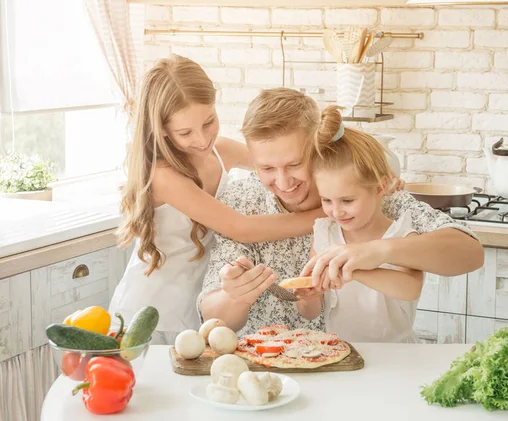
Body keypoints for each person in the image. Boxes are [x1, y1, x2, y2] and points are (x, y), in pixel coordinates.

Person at [198, 88, 484, 337]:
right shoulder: (242, 202)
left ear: (320, 149)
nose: (283, 183)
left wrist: (379, 251)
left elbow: (469, 253)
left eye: (295, 164)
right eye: (267, 169)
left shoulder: (371, 196)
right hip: (267, 366)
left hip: (361, 365)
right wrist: (235, 295)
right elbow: (213, 317)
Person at [108, 55, 323, 344]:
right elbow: (240, 228)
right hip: (153, 309)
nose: (201, 139)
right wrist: (324, 215)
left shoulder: (220, 151)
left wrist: (371, 177)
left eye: (209, 121)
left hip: (202, 301)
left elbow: (279, 161)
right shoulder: (162, 175)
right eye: (185, 132)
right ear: (162, 130)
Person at [295, 106, 424, 343]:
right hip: (341, 353)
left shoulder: (402, 234)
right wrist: (308, 297)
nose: (336, 211)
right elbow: (310, 313)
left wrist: (353, 270)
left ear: (380, 187)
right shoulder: (325, 233)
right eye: (326, 200)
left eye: (347, 200)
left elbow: (411, 288)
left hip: (399, 357)